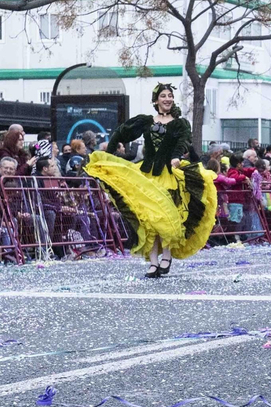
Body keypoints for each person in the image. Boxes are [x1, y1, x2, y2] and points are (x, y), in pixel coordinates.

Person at [86, 83, 218, 277]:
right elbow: (121, 132)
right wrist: (109, 153)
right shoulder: (146, 121)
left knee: (164, 218)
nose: (167, 99)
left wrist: (176, 156)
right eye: (163, 96)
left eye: (170, 96)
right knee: (149, 220)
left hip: (168, 175)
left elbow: (183, 141)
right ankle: (153, 261)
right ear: (156, 100)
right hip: (147, 175)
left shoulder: (180, 123)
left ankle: (166, 255)